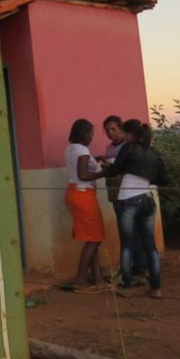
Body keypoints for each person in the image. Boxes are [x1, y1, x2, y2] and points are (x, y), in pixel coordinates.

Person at [102, 119, 163, 298]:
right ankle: (156, 288)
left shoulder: (127, 148)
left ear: (127, 133)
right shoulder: (152, 152)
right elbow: (163, 178)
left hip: (127, 199)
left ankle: (127, 285)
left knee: (127, 244)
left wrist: (109, 167)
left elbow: (115, 171)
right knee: (150, 245)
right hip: (147, 199)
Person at [101, 115, 149, 283]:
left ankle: (140, 270)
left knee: (133, 232)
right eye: (107, 130)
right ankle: (134, 269)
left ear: (122, 129)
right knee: (126, 232)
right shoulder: (109, 148)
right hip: (116, 194)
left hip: (130, 194)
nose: (110, 133)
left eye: (113, 129)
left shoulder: (128, 147)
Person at [64, 119, 107, 291]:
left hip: (74, 192)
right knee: (94, 239)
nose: (92, 138)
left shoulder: (71, 148)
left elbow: (78, 169)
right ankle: (80, 279)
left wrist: (94, 160)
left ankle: (97, 278)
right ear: (84, 134)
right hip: (84, 194)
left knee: (92, 238)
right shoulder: (82, 149)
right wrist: (103, 172)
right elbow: (82, 174)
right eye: (91, 134)